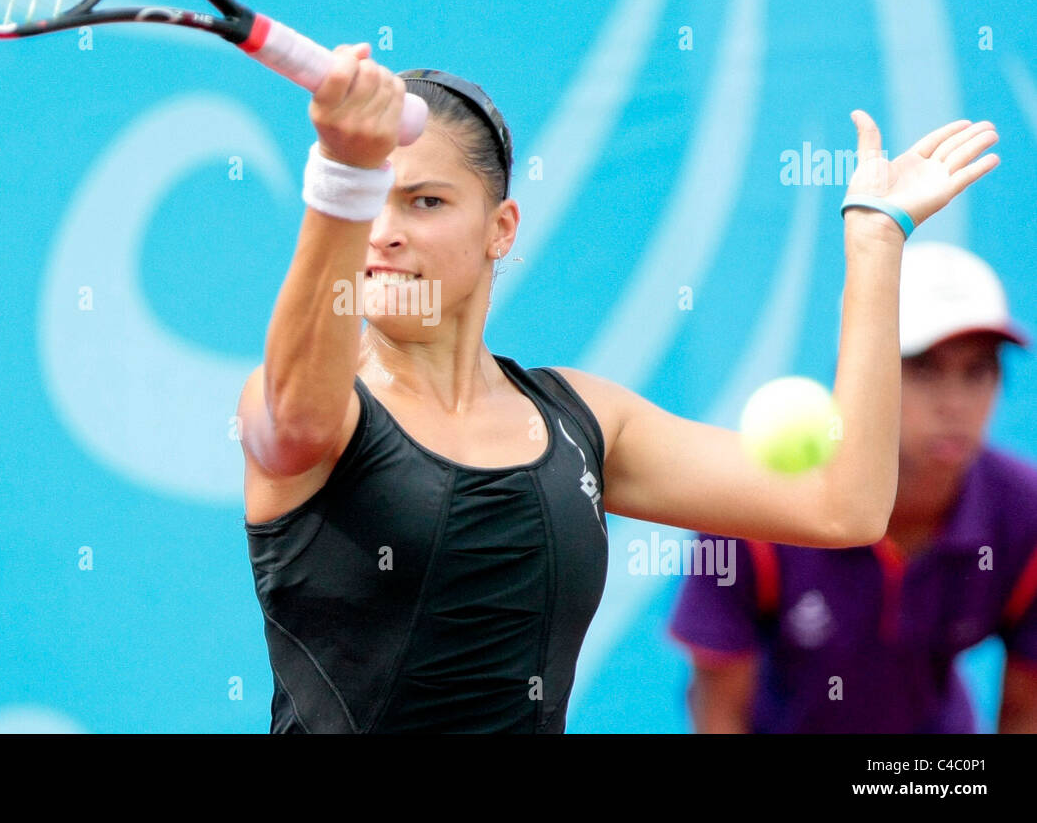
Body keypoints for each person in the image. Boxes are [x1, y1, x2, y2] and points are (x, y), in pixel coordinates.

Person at [235, 41, 1001, 732]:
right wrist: (342, 173)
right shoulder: (319, 409)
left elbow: (847, 503)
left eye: (424, 201)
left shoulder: (584, 420)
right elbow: (294, 418)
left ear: (501, 228)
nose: (384, 231)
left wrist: (875, 240)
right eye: (372, 199)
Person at [669, 243, 1037, 733]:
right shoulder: (754, 509)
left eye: (978, 372)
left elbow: (1025, 713)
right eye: (925, 368)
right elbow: (719, 712)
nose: (956, 403)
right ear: (862, 372)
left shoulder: (1025, 514)